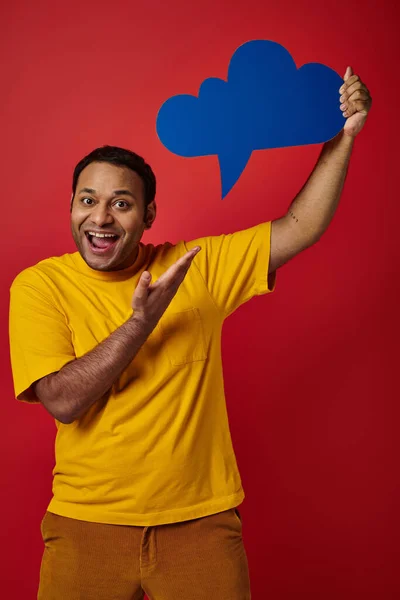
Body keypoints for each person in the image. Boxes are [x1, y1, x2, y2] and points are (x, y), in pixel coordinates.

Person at [9, 68, 371, 600]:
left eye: (122, 203)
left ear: (149, 213)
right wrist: (140, 323)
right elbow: (63, 400)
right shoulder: (40, 285)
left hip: (200, 525)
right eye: (87, 200)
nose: (101, 218)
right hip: (86, 525)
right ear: (71, 207)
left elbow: (299, 227)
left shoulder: (192, 267)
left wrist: (343, 138)